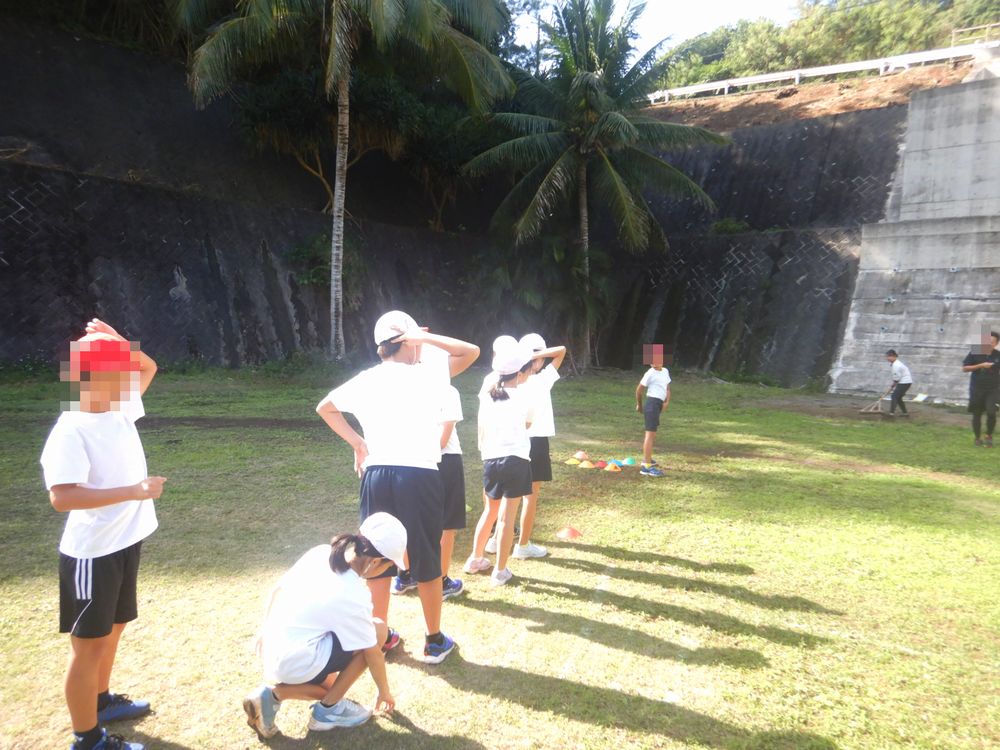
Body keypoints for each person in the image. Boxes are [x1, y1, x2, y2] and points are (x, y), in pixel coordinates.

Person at [315, 311, 479, 663]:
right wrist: (425, 337)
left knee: (374, 554)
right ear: (407, 342)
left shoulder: (365, 379)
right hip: (418, 475)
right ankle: (434, 640)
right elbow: (470, 351)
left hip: (376, 475)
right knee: (426, 555)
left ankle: (380, 635)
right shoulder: (428, 376)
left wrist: (358, 443)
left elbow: (325, 408)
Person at [40, 319, 164, 750]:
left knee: (115, 627)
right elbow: (62, 497)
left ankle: (102, 701)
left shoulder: (118, 407)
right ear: (90, 378)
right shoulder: (70, 428)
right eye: (118, 374)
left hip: (125, 541)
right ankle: (87, 738)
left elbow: (149, 366)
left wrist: (118, 341)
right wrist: (134, 491)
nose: (129, 381)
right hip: (92, 555)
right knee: (88, 647)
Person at [242, 513, 406, 739]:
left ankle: (271, 696)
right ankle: (327, 712)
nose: (388, 572)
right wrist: (384, 692)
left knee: (330, 689)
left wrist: (264, 630)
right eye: (389, 566)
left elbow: (277, 591)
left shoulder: (320, 552)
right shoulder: (355, 594)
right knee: (377, 630)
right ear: (375, 562)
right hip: (296, 661)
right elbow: (372, 651)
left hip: (275, 650)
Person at [485, 334, 566, 559]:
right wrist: (534, 355)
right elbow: (561, 350)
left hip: (509, 443)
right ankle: (523, 544)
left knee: (506, 496)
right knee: (530, 497)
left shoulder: (510, 380)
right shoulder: (541, 379)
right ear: (537, 359)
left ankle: (495, 540)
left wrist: (526, 356)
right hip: (535, 441)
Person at [466, 341, 540, 586]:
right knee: (507, 518)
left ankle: (475, 559)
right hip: (516, 460)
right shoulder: (525, 396)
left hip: (491, 459)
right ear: (518, 373)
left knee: (490, 512)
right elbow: (527, 425)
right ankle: (500, 571)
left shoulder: (487, 395)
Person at [393, 382, 466, 600]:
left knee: (411, 519)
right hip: (444, 460)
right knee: (447, 523)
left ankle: (405, 575)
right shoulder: (447, 390)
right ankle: (441, 581)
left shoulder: (407, 387)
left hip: (411, 460)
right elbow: (443, 439)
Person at [961, 330, 1000, 447]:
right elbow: (965, 368)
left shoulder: (998, 355)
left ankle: (989, 435)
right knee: (977, 414)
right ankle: (977, 438)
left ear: (996, 343)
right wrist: (981, 365)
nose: (989, 344)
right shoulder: (975, 352)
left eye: (992, 342)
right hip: (976, 389)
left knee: (991, 412)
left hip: (993, 389)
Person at [635, 350, 671, 477]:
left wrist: (666, 402)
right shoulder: (650, 373)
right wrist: (640, 405)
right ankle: (646, 467)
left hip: (658, 404)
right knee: (650, 435)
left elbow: (667, 388)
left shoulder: (665, 371)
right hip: (651, 404)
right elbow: (639, 390)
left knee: (652, 435)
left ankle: (648, 458)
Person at [884, 350, 913, 417]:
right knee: (898, 397)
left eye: (890, 356)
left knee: (894, 396)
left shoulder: (896, 365)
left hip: (905, 382)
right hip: (905, 382)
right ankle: (905, 413)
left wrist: (893, 384)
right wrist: (894, 383)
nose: (888, 358)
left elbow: (897, 377)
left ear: (894, 356)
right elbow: (897, 377)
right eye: (887, 356)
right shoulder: (895, 363)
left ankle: (891, 413)